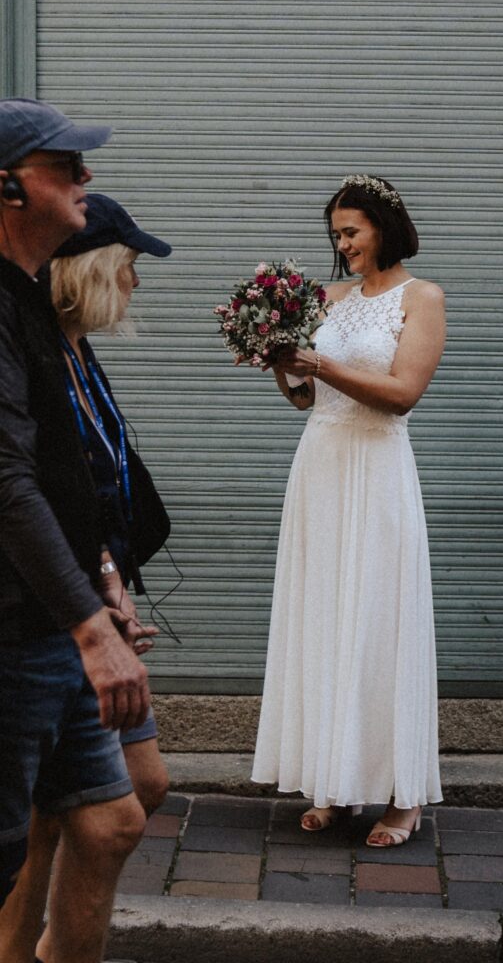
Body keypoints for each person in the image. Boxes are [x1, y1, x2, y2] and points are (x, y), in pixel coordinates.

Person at [251, 173, 445, 846]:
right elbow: (305, 399)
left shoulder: (422, 298)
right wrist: (283, 364)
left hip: (378, 467)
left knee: (376, 619)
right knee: (325, 617)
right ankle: (332, 782)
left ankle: (400, 795)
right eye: (336, 234)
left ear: (383, 228)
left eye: (351, 232)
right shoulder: (326, 299)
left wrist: (320, 366)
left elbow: (401, 394)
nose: (342, 244)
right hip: (322, 465)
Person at [0, 98, 149, 963]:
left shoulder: (28, 303)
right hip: (17, 634)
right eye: (66, 166)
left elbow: (57, 473)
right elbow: (6, 484)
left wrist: (98, 575)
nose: (86, 179)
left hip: (55, 622)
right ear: (10, 187)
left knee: (111, 818)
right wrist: (93, 629)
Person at [27, 193, 173, 963]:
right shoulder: (38, 354)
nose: (136, 284)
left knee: (133, 795)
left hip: (92, 604)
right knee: (84, 816)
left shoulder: (80, 351)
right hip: (56, 616)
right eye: (128, 266)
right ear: (89, 268)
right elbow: (37, 495)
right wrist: (98, 589)